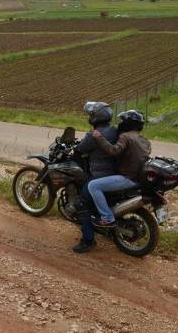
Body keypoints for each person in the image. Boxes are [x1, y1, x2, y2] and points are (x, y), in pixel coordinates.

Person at [89, 110, 151, 227]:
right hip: (139, 179)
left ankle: (107, 218)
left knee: (93, 185)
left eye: (122, 121)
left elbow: (114, 151)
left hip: (127, 178)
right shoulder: (145, 140)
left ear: (128, 123)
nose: (120, 123)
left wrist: (99, 137)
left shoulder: (125, 136)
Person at [71, 101, 119, 253]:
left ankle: (88, 240)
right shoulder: (115, 131)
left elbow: (79, 149)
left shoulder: (93, 135)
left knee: (82, 203)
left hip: (99, 175)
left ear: (94, 117)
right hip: (115, 174)